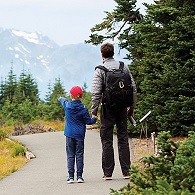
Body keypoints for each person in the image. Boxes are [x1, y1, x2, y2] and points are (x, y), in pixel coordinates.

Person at [91, 43, 136, 180]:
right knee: (123, 138)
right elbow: (133, 88)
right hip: (122, 108)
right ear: (113, 52)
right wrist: (131, 108)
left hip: (107, 109)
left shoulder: (100, 70)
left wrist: (94, 111)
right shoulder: (123, 66)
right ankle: (127, 171)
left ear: (102, 54)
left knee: (107, 140)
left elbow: (96, 93)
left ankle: (108, 173)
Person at [58, 86, 97, 184]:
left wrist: (60, 97)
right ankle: (79, 176)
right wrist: (95, 118)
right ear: (81, 96)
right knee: (79, 155)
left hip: (69, 134)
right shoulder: (83, 109)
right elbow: (88, 121)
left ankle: (70, 177)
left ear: (71, 95)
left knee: (70, 155)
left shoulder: (67, 106)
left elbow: (63, 100)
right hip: (79, 135)